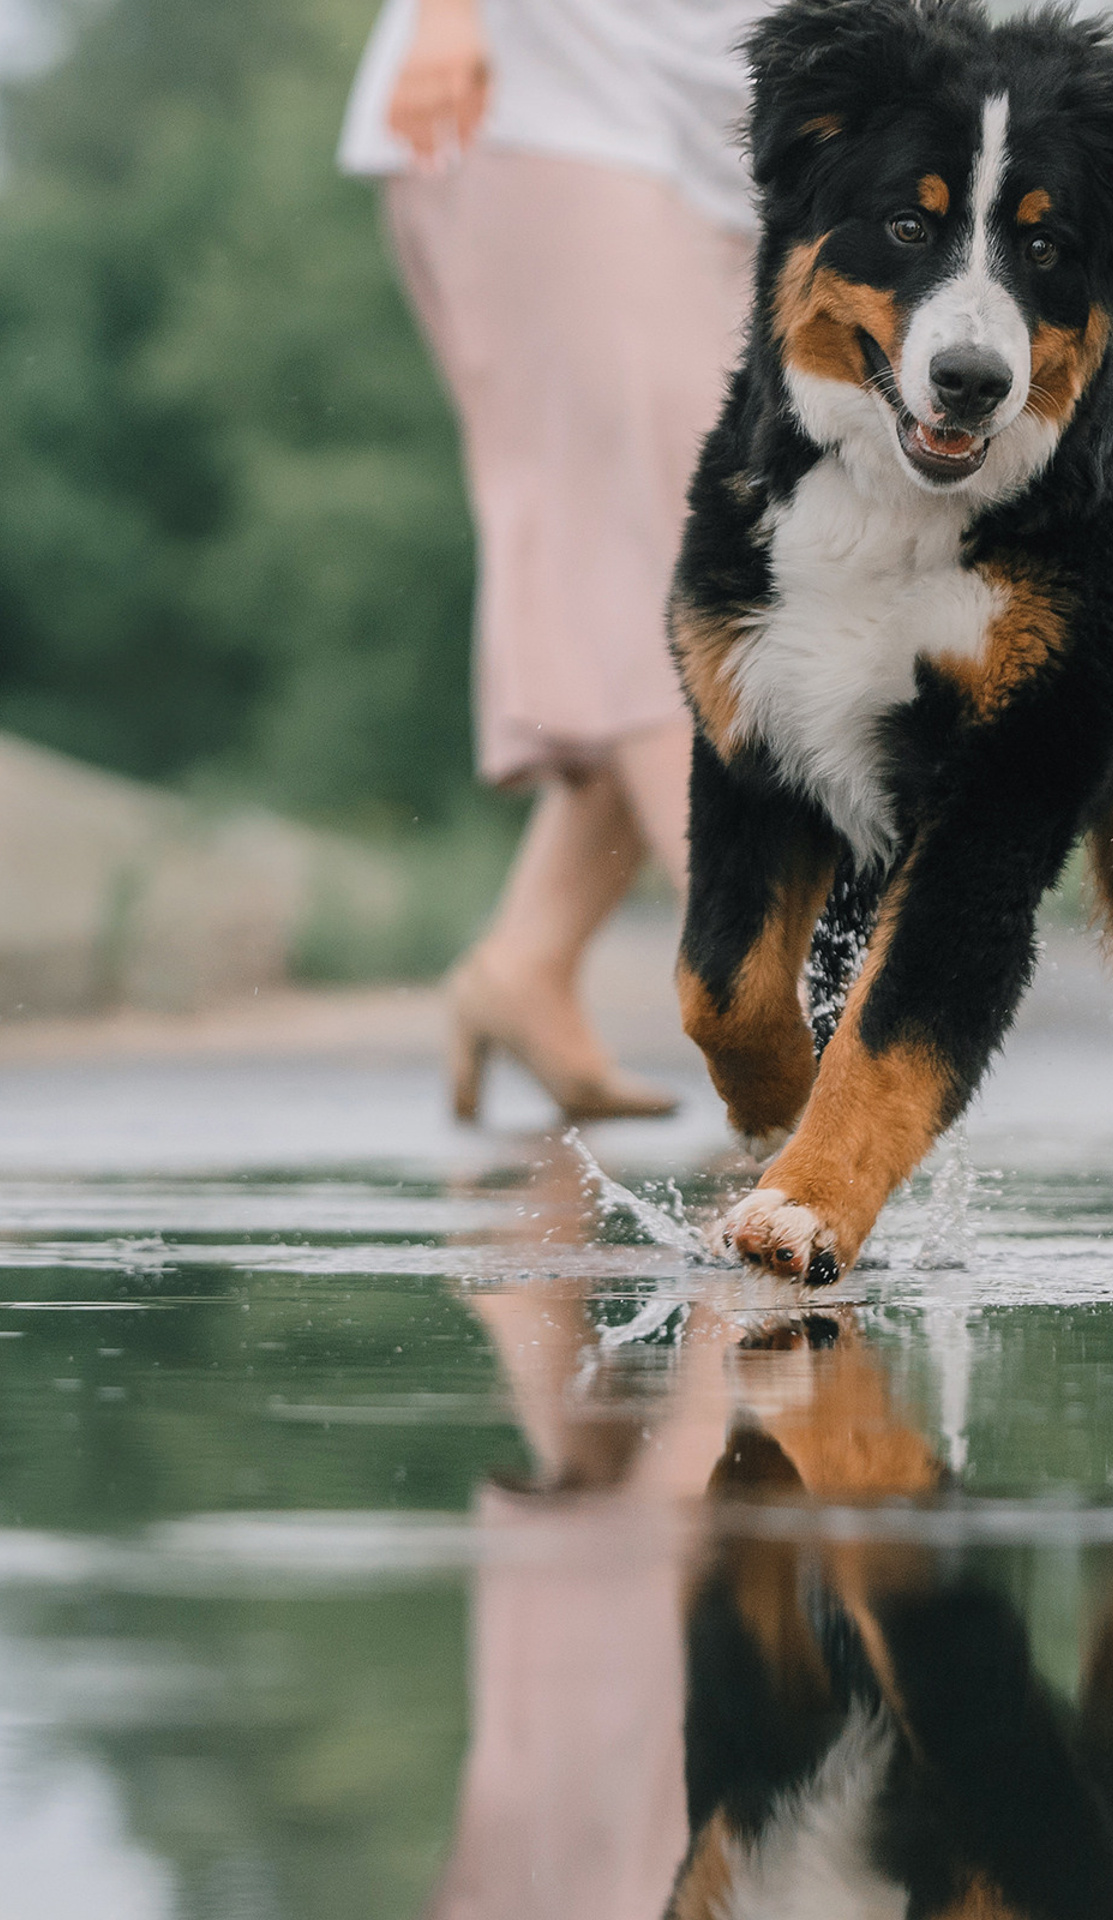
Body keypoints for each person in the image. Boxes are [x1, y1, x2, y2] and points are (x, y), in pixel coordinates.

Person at [339, 0, 761, 1120]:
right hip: (544, 102)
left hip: (728, 146)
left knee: (726, 565)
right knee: (665, 566)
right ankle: (761, 992)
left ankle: (526, 963)